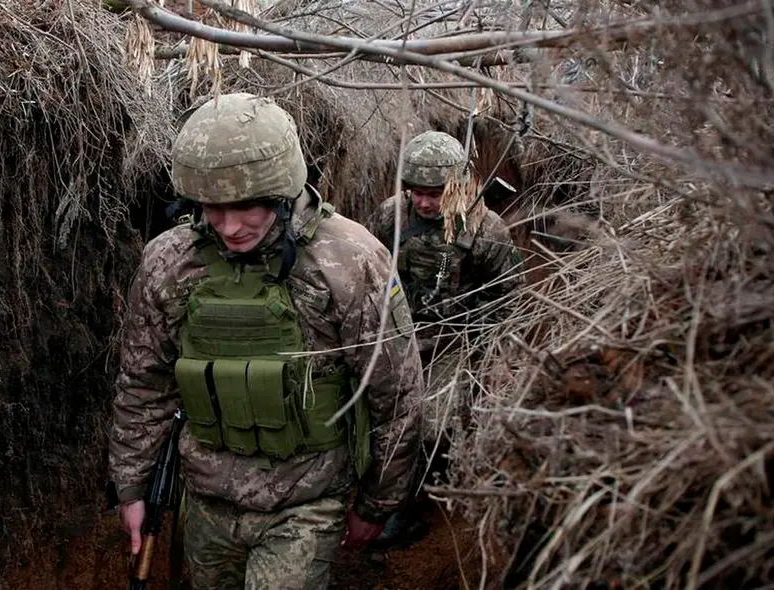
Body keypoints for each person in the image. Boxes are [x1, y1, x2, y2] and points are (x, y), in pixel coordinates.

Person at [108, 92, 423, 589]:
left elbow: (395, 394)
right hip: (205, 500)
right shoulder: (169, 262)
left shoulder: (351, 261)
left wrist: (378, 502)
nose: (230, 227)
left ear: (282, 190)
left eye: (246, 206)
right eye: (212, 207)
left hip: (305, 503)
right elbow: (145, 383)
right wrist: (132, 486)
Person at [365, 130, 525, 543]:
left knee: (428, 426)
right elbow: (367, 271)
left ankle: (414, 506)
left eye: (434, 193)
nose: (423, 202)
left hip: (454, 343)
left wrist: (494, 357)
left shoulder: (487, 231)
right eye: (416, 192)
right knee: (374, 411)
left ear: (457, 187)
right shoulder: (390, 216)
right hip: (398, 333)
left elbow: (509, 301)